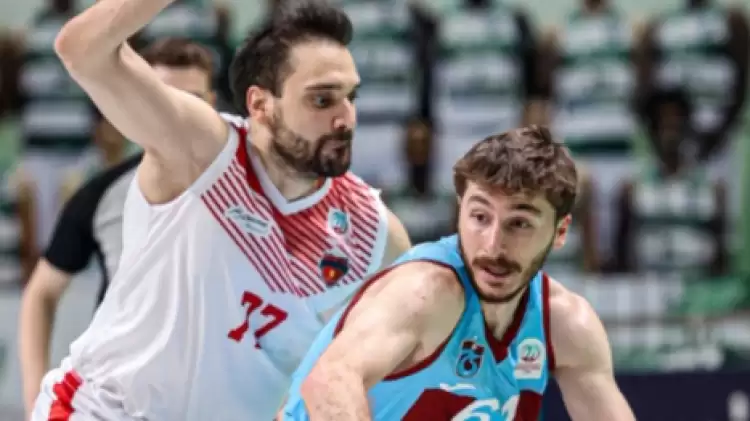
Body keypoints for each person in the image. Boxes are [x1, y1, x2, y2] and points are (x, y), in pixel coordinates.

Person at [32, 0, 411, 420]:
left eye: (350, 97)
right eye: (322, 100)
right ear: (260, 105)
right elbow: (82, 48)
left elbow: (416, 362)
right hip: (103, 411)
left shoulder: (374, 233)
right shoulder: (202, 152)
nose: (345, 119)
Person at [281, 126, 635, 421]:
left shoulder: (564, 324)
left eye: (519, 224)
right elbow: (330, 381)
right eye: (480, 217)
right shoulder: (426, 292)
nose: (493, 245)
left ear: (560, 231)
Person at [18, 37, 217, 417]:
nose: (176, 113)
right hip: (119, 400)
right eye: (162, 98)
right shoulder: (103, 195)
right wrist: (33, 398)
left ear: (211, 103)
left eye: (190, 100)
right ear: (139, 103)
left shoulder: (250, 191)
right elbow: (41, 292)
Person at [614, 88, 727, 276]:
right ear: (652, 131)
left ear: (687, 127)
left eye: (675, 124)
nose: (670, 132)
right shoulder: (631, 187)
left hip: (699, 284)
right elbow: (622, 252)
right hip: (648, 283)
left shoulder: (713, 187)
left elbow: (721, 250)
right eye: (664, 125)